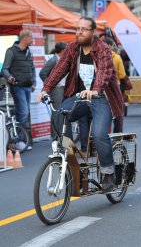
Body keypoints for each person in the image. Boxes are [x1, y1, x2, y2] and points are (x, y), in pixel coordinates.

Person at [37, 16, 123, 192]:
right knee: (59, 115)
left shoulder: (103, 49)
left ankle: (108, 173)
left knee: (99, 134)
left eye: (84, 29)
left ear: (93, 32)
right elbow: (59, 70)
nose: (80, 32)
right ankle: (68, 160)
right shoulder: (72, 48)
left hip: (101, 97)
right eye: (77, 29)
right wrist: (45, 89)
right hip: (79, 97)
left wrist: (95, 89)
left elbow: (105, 72)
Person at [1, 30, 36, 151]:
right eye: (31, 38)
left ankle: (22, 139)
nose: (33, 40)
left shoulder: (28, 51)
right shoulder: (11, 51)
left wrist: (34, 82)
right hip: (17, 86)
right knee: (24, 113)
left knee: (25, 113)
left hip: (27, 86)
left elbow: (32, 68)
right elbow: (4, 69)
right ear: (25, 38)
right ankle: (18, 140)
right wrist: (9, 77)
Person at [39, 42, 67, 139]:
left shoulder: (63, 60)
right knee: (56, 113)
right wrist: (51, 84)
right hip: (56, 90)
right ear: (62, 50)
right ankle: (55, 137)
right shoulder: (53, 60)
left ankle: (62, 135)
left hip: (64, 89)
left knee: (63, 112)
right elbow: (42, 73)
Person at [103, 37, 126, 132]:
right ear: (109, 45)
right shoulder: (116, 57)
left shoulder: (99, 56)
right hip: (115, 87)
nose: (113, 47)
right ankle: (117, 135)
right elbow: (122, 74)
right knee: (117, 112)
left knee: (105, 112)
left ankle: (106, 133)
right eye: (112, 45)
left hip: (102, 89)